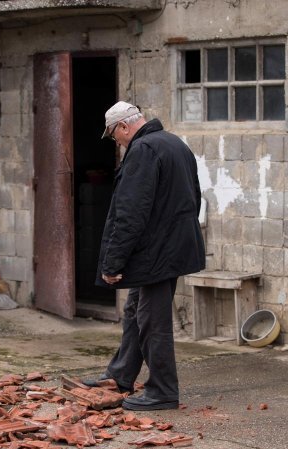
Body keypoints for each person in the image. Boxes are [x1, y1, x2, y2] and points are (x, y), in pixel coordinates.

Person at [86, 101, 206, 410]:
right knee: (135, 311)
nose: (117, 143)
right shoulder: (174, 143)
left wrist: (112, 264)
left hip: (157, 252)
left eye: (115, 136)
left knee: (153, 321)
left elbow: (129, 214)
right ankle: (121, 374)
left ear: (124, 127)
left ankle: (163, 391)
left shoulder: (143, 151)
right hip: (173, 247)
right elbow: (195, 196)